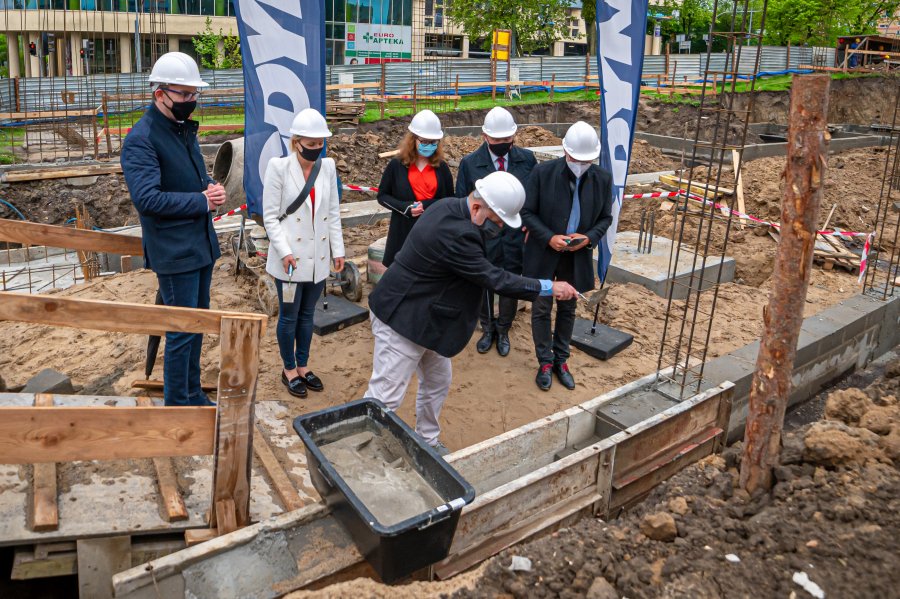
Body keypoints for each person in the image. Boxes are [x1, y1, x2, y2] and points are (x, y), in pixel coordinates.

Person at [365, 171, 578, 455]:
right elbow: (496, 279)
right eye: (496, 222)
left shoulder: (447, 206)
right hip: (402, 320)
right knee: (385, 397)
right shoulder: (458, 234)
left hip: (429, 317)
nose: (498, 228)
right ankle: (362, 452)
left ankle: (426, 440)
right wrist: (548, 287)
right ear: (477, 207)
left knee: (438, 381)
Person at [122, 52, 225, 407]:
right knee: (182, 329)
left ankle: (191, 391)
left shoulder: (182, 131)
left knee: (196, 323)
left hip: (199, 245)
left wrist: (210, 187)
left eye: (194, 95)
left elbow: (192, 177)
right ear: (159, 94)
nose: (190, 102)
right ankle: (179, 402)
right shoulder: (142, 138)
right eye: (183, 95)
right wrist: (202, 201)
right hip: (175, 251)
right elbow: (148, 200)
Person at [521, 121, 614, 392]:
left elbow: (605, 217)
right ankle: (545, 362)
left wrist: (589, 238)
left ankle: (562, 360)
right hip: (544, 251)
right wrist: (549, 236)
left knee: (568, 306)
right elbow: (527, 212)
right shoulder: (543, 173)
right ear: (565, 152)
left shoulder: (602, 179)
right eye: (576, 159)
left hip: (576, 255)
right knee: (541, 306)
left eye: (587, 161)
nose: (580, 164)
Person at [262, 108, 345, 399]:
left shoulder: (328, 167)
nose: (316, 149)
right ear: (296, 142)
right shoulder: (278, 167)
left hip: (318, 256)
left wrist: (339, 249)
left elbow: (332, 212)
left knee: (308, 315)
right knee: (289, 316)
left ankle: (303, 365)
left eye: (320, 144)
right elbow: (270, 217)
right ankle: (288, 369)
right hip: (290, 260)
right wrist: (284, 252)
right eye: (310, 144)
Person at [456, 106, 537, 357]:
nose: (502, 143)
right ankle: (487, 327)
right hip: (483, 236)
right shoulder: (470, 164)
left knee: (510, 283)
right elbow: (462, 201)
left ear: (513, 136)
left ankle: (503, 329)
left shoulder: (527, 159)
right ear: (484, 136)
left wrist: (528, 226)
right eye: (496, 139)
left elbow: (532, 198)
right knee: (483, 283)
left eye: (506, 139)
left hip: (514, 237)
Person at [377, 109, 454, 268]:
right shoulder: (396, 166)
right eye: (424, 141)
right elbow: (383, 196)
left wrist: (426, 206)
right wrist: (405, 208)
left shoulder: (442, 168)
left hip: (433, 234)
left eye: (434, 142)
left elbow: (449, 201)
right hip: (403, 234)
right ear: (413, 140)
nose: (429, 146)